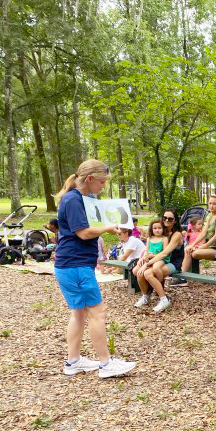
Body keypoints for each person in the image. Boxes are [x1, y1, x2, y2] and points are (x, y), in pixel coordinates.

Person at [53, 159, 136, 378]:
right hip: (76, 265)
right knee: (97, 313)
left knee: (78, 314)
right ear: (89, 179)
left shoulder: (82, 198)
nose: (103, 187)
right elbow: (82, 232)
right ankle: (105, 364)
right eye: (101, 182)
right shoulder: (73, 200)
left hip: (71, 265)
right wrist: (107, 228)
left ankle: (73, 362)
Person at [172, 195, 216, 285]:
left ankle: (183, 277)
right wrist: (193, 244)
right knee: (188, 249)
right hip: (210, 247)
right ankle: (182, 278)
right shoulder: (209, 216)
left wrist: (203, 246)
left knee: (195, 253)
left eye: (214, 204)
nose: (211, 206)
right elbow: (203, 233)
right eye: (210, 203)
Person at [134, 210, 184, 312]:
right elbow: (148, 248)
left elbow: (165, 254)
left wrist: (146, 264)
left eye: (170, 219)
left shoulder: (176, 234)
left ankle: (164, 299)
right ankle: (146, 296)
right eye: (165, 218)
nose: (167, 220)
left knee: (147, 273)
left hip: (172, 263)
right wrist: (142, 258)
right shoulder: (160, 232)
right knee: (136, 271)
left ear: (175, 221)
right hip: (157, 260)